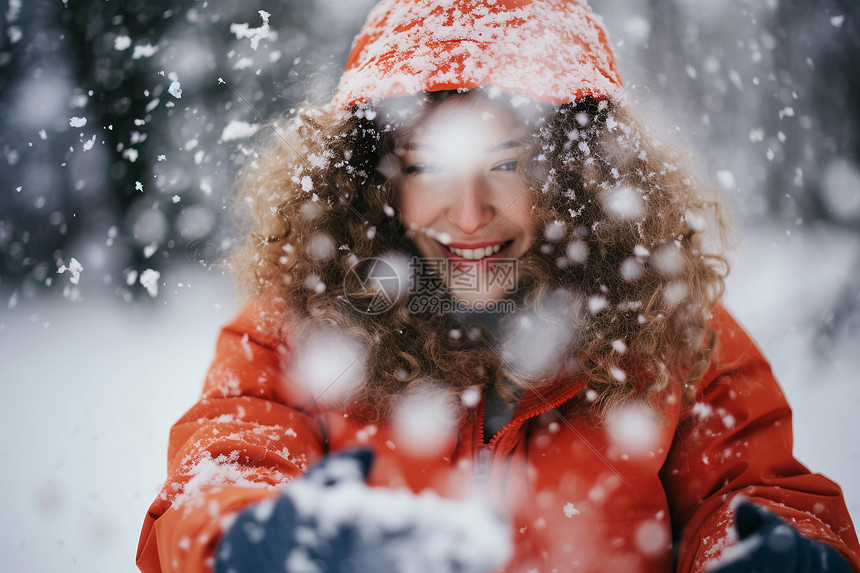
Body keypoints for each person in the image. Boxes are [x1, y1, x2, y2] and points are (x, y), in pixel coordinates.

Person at [136, 1, 860, 572]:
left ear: (578, 177)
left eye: (508, 164)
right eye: (428, 167)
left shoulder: (672, 328)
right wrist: (251, 540)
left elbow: (754, 492)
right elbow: (223, 469)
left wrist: (771, 551)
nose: (471, 211)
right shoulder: (299, 328)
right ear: (372, 180)